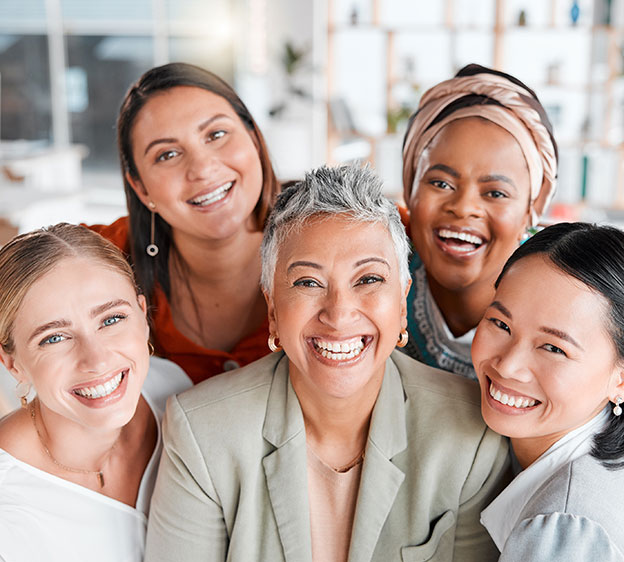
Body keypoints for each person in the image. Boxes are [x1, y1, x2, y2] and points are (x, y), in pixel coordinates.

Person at [144, 165, 510, 562]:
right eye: (308, 283)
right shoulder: (203, 431)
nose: (338, 314)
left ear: (402, 301)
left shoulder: (470, 434)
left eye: (368, 279)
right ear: (272, 308)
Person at [0, 224, 191, 562]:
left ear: (143, 316)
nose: (97, 359)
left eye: (111, 319)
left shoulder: (175, 390)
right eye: (54, 337)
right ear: (13, 363)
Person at [90, 62, 281, 384]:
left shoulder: (335, 229)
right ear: (141, 188)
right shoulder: (106, 256)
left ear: (254, 139)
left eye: (216, 134)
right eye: (167, 155)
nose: (203, 168)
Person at [472, 222, 624, 560]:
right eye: (501, 324)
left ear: (621, 379)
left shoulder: (567, 530)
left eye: (553, 348)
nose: (508, 366)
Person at [401, 63, 558, 379]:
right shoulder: (372, 278)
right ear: (410, 188)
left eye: (496, 193)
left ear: (533, 206)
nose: (463, 208)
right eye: (441, 183)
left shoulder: (565, 304)